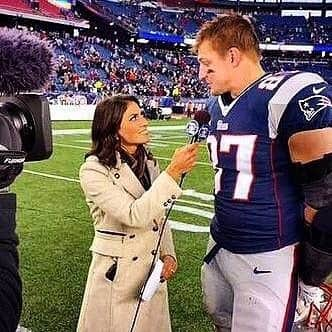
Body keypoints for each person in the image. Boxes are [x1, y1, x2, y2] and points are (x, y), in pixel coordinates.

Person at [194, 15, 332, 331]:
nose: (201, 73)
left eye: (206, 63)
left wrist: (311, 279)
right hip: (220, 242)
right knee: (221, 320)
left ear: (232, 55)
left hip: (268, 254)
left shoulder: (288, 93)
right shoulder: (216, 104)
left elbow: (325, 200)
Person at [77, 95, 199, 332]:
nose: (145, 121)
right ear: (113, 128)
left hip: (150, 273)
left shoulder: (149, 163)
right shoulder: (93, 170)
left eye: (142, 114)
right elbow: (135, 215)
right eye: (134, 117)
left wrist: (168, 254)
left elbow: (159, 217)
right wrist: (173, 172)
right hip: (118, 274)